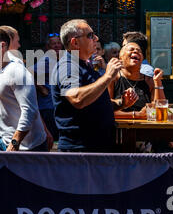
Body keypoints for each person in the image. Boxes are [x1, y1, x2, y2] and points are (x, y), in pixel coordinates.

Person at [50, 19, 135, 152]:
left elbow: (95, 102)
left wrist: (121, 103)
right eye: (90, 35)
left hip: (97, 146)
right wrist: (108, 77)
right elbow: (77, 99)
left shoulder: (85, 64)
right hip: (81, 150)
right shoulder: (67, 66)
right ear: (75, 42)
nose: (96, 38)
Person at [108, 41, 165, 119]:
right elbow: (105, 109)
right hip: (120, 129)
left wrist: (158, 82)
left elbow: (160, 110)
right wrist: (137, 115)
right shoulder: (113, 78)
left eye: (139, 51)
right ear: (120, 58)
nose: (135, 51)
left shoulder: (149, 81)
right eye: (131, 49)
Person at [32, 32, 63, 142]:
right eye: (53, 44)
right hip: (48, 106)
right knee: (52, 138)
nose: (57, 46)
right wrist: (40, 87)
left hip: (55, 104)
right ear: (47, 47)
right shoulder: (46, 59)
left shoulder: (59, 59)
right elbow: (28, 72)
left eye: (59, 43)